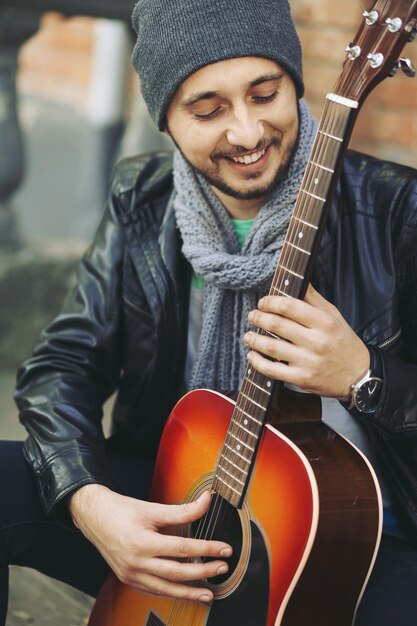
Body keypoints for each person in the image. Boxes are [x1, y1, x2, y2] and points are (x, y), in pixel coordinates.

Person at [1, 0, 417, 624]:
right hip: (185, 501)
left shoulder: (395, 211)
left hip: (356, 536)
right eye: (208, 109)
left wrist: (363, 375)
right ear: (165, 118)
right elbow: (64, 361)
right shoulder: (142, 197)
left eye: (266, 93)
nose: (248, 133)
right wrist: (90, 503)